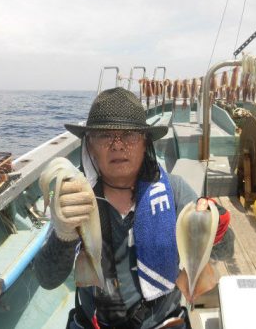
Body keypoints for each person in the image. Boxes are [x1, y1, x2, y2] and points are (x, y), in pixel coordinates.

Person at [34, 87, 230, 329]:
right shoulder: (75, 199)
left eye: (129, 135)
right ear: (90, 146)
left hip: (164, 322)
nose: (117, 145)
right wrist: (63, 235)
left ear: (144, 142)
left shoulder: (175, 191)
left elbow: (225, 251)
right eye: (105, 136)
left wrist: (216, 224)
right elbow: (47, 279)